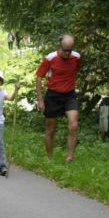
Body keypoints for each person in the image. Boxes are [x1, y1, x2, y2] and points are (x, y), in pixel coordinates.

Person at [35, 34, 81, 163]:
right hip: (53, 95)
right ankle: (50, 158)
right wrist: (40, 99)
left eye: (70, 50)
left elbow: (76, 69)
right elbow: (39, 77)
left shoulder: (76, 57)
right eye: (65, 50)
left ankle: (69, 157)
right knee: (51, 129)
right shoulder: (50, 58)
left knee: (73, 125)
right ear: (60, 45)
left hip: (69, 95)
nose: (67, 53)